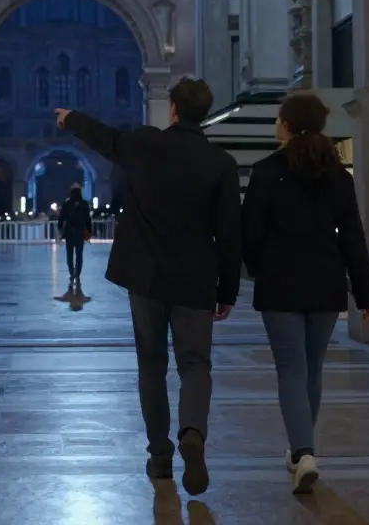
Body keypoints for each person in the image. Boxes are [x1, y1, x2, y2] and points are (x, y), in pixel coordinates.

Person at [55, 78, 241, 496]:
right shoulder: (220, 163)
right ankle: (192, 432)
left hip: (146, 277)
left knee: (151, 364)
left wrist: (71, 119)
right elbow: (230, 234)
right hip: (195, 278)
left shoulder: (144, 145)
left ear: (173, 108)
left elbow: (106, 139)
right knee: (195, 364)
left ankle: (160, 455)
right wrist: (226, 290)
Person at [240, 93, 369, 495]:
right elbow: (353, 236)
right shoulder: (337, 174)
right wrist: (366, 293)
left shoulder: (266, 172)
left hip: (280, 283)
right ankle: (301, 451)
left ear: (285, 123)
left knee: (290, 369)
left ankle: (303, 451)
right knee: (312, 368)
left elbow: (251, 233)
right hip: (325, 281)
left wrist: (257, 267)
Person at [57, 183, 92, 287]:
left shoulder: (67, 204)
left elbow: (62, 217)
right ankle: (77, 274)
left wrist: (60, 228)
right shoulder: (84, 203)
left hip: (69, 232)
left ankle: (72, 273)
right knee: (79, 254)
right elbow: (87, 219)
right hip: (80, 231)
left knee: (70, 254)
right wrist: (89, 231)